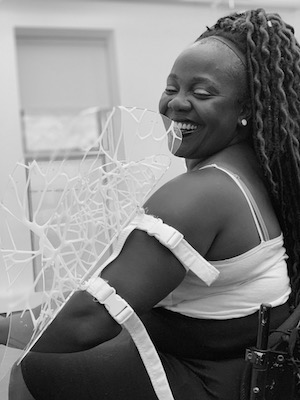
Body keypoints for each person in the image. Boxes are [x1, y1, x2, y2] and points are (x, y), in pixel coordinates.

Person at [4, 7, 300, 400]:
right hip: (231, 367)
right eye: (172, 87)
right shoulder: (255, 170)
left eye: (201, 92)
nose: (176, 104)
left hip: (204, 380)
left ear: (246, 109)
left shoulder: (199, 194)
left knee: (30, 369)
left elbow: (86, 324)